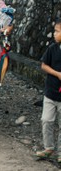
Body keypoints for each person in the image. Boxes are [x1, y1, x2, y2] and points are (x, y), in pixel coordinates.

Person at [35, 20, 61, 160]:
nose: (55, 34)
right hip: (50, 92)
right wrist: (57, 74)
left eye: (57, 31)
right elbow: (44, 65)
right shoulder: (52, 48)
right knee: (46, 120)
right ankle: (48, 147)